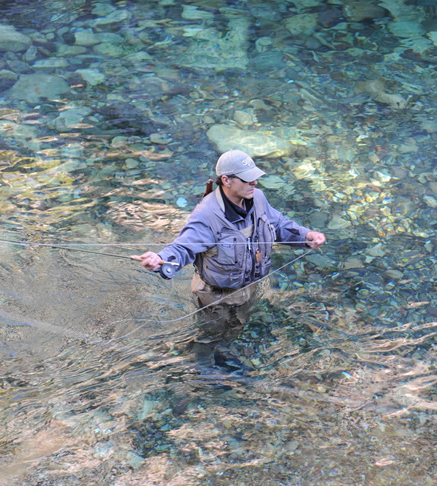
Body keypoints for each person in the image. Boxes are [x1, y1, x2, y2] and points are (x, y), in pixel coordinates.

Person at [132, 149, 326, 374]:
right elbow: (183, 246)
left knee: (236, 327)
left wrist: (305, 236)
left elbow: (279, 225)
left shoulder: (258, 198)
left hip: (246, 288)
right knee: (211, 334)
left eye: (254, 176)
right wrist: (161, 259)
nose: (254, 181)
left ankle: (225, 353)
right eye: (246, 178)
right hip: (215, 297)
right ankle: (204, 370)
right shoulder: (206, 216)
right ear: (226, 180)